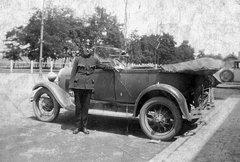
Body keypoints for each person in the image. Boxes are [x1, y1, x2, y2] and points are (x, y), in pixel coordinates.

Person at [69, 42, 114, 135]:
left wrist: (113, 68)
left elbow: (103, 66)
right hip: (78, 86)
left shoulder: (94, 60)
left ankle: (84, 127)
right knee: (78, 107)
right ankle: (77, 127)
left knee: (85, 108)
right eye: (86, 47)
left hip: (88, 87)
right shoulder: (77, 59)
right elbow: (73, 73)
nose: (88, 50)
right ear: (83, 48)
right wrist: (71, 88)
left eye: (89, 48)